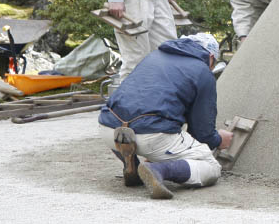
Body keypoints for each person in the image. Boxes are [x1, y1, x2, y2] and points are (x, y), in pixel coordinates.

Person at [98, 33, 234, 199]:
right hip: (151, 135)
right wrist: (219, 140)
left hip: (110, 129)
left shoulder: (154, 56)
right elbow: (202, 132)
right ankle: (158, 169)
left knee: (141, 131)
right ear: (211, 57)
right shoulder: (202, 71)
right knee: (211, 166)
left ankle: (132, 163)